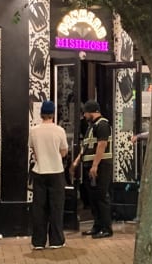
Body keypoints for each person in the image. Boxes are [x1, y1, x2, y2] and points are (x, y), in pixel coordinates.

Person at [30, 100, 69, 249]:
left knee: (39, 207)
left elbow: (33, 149)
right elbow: (64, 151)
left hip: (39, 171)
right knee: (56, 207)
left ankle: (38, 241)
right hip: (56, 171)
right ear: (53, 114)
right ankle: (56, 240)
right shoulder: (59, 130)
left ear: (41, 114)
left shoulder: (34, 130)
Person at [76, 100, 113, 238]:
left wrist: (95, 165)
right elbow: (86, 146)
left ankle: (106, 228)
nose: (84, 115)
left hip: (101, 166)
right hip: (91, 166)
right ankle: (97, 226)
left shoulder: (102, 124)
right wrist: (77, 161)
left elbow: (102, 145)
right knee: (93, 198)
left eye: (85, 113)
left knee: (101, 197)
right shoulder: (92, 126)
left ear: (92, 111)